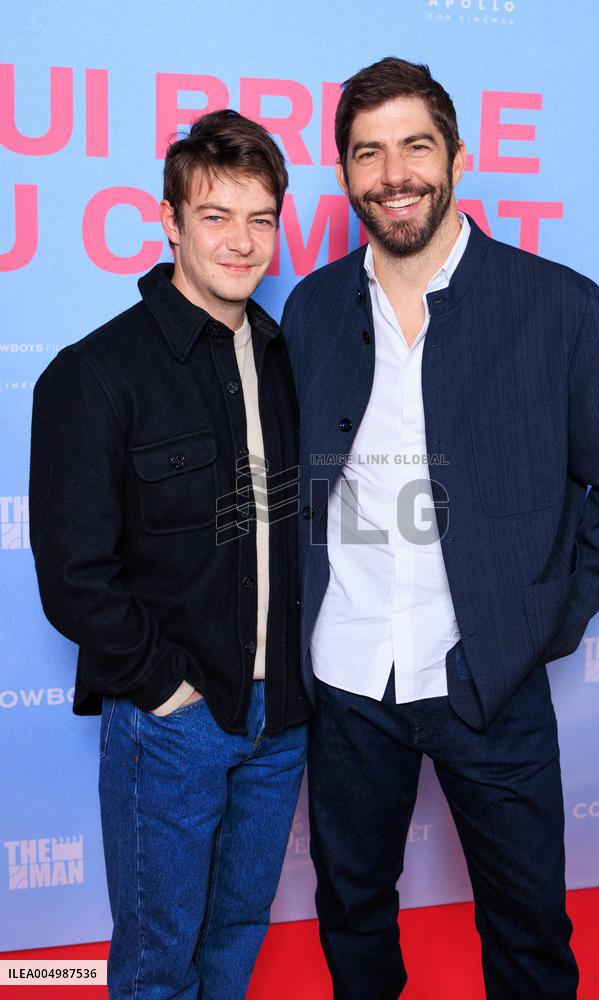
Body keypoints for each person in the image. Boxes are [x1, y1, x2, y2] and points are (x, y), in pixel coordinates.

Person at [281, 57, 599, 999]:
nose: (393, 173)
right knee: (352, 912)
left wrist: (545, 620)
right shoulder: (313, 308)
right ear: (345, 175)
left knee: (528, 926)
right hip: (345, 674)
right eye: (368, 153)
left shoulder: (558, 305)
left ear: (459, 156)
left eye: (415, 146)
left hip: (487, 676)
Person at [29, 109, 310, 1000]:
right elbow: (74, 575)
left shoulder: (286, 357)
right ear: (170, 222)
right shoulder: (94, 373)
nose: (241, 241)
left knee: (235, 937)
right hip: (175, 721)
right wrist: (165, 690)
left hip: (283, 720)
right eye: (216, 216)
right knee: (157, 961)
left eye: (260, 218)